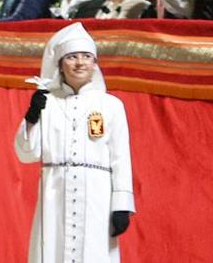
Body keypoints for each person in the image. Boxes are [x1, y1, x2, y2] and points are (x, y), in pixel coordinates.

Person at [15, 23, 134, 262]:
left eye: (86, 57)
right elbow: (27, 154)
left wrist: (122, 204)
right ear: (60, 64)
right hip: (54, 193)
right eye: (72, 57)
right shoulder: (48, 103)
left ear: (95, 64)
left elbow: (121, 158)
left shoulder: (111, 106)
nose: (80, 63)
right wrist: (32, 117)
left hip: (97, 196)